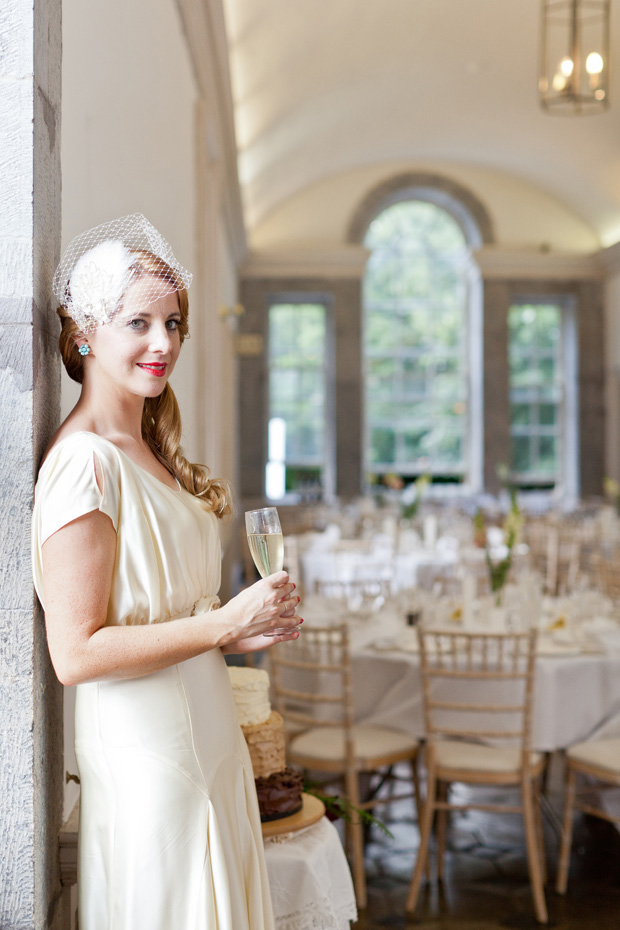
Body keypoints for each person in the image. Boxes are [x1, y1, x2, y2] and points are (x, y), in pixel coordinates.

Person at [31, 214, 301, 930]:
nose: (164, 343)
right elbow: (75, 653)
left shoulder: (144, 445)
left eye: (174, 323)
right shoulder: (85, 462)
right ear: (86, 330)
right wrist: (224, 622)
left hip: (205, 739)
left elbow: (170, 618)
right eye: (139, 322)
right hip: (151, 759)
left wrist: (239, 630)